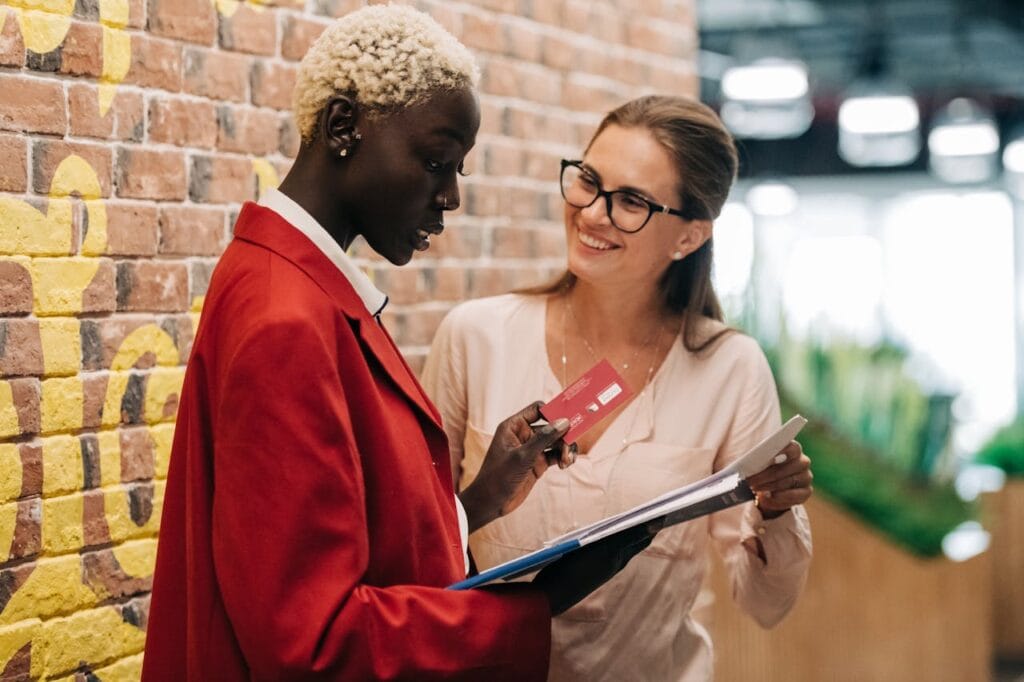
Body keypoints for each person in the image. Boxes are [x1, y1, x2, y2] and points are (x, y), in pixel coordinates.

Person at [141, 7, 654, 680]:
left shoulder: (293, 283)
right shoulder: (285, 319)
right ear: (343, 128)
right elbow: (312, 642)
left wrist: (478, 501)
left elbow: (350, 553)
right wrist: (543, 600)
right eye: (437, 162)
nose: (452, 198)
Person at [422, 95, 814, 681]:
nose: (592, 213)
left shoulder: (730, 368)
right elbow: (415, 545)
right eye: (587, 181)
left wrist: (777, 509)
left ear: (688, 237)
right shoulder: (477, 337)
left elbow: (765, 601)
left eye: (630, 200)